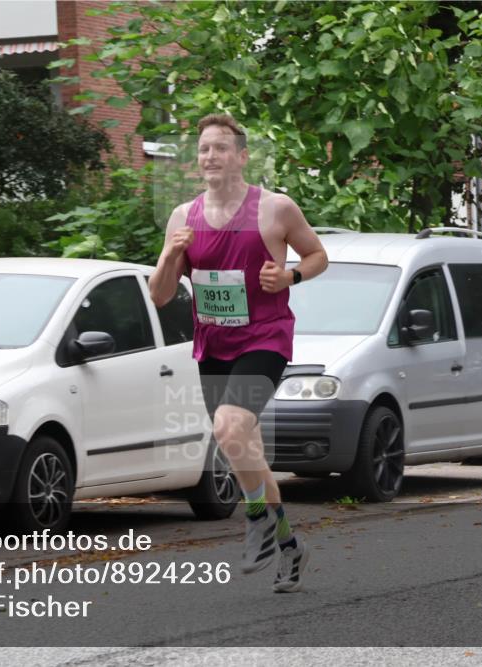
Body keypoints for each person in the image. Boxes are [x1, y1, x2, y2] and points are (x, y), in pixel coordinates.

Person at [149, 113, 328, 593]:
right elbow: (160, 295)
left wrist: (290, 277)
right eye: (204, 149)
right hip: (213, 344)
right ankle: (290, 546)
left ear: (242, 157)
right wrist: (169, 256)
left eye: (221, 148)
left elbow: (317, 255)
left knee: (228, 429)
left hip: (264, 338)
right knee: (243, 450)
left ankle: (255, 520)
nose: (210, 156)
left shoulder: (275, 209)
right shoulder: (182, 218)